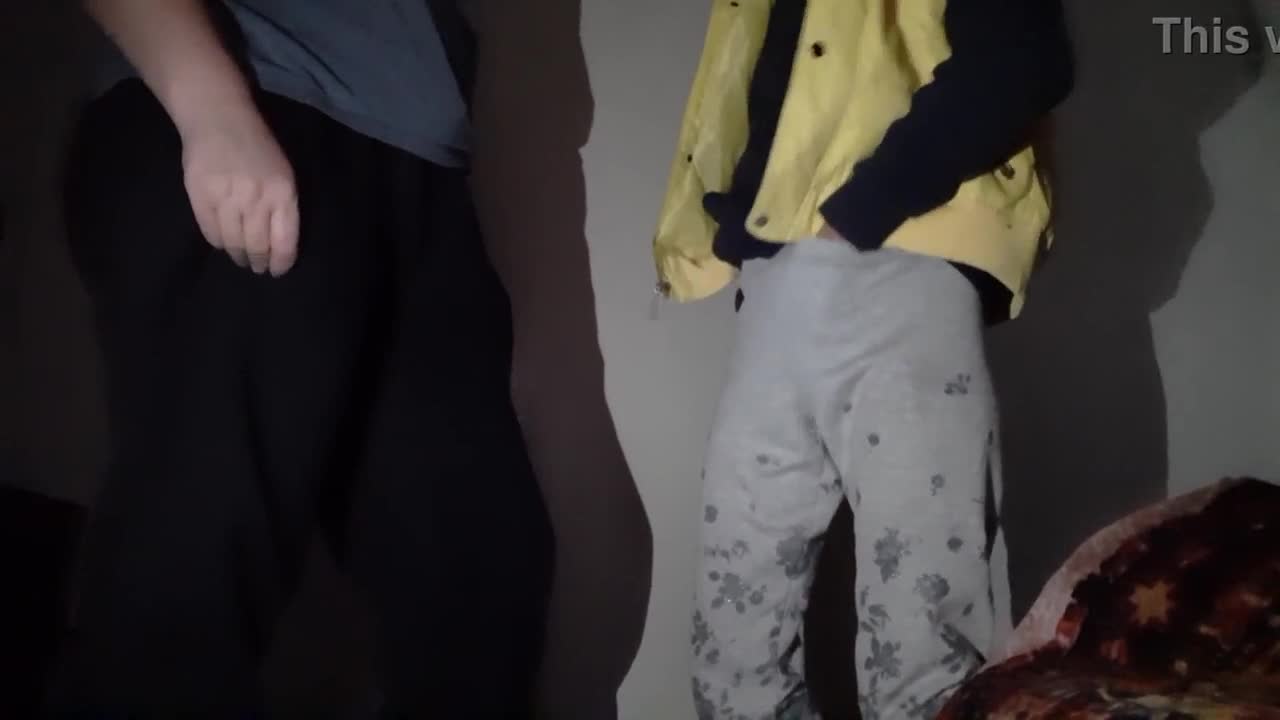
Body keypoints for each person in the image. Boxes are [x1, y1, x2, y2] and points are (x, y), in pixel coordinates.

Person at [47, 0, 554, 716]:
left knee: (480, 574)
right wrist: (212, 108)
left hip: (420, 161)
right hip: (257, 106)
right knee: (196, 566)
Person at [651, 1, 1074, 718]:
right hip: (779, 274)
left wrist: (865, 205)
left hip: (898, 260)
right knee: (734, 660)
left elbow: (1022, 58)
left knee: (921, 660)